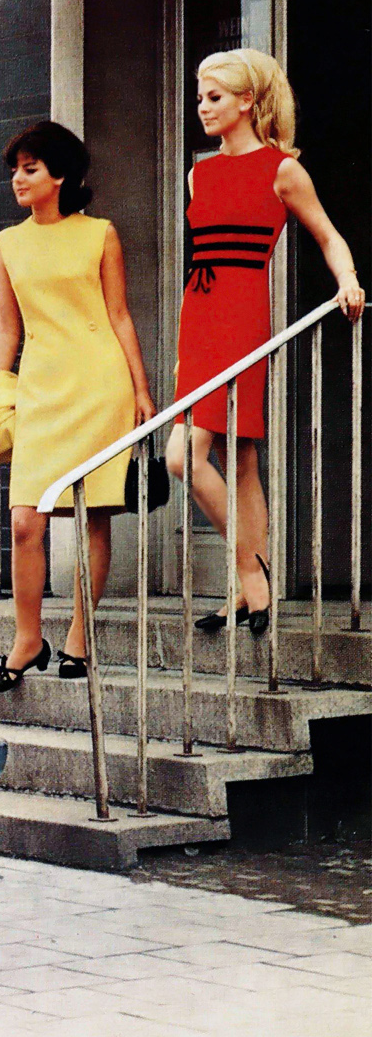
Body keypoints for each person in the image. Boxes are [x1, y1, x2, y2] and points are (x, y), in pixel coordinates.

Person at [165, 49, 364, 636]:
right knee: (236, 460)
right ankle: (252, 583)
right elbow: (199, 259)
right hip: (198, 315)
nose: (203, 107)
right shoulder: (200, 172)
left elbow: (328, 235)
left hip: (243, 317)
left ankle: (253, 579)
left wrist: (347, 280)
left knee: (188, 457)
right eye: (200, 97)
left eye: (215, 97)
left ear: (248, 101)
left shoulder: (282, 169)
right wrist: (182, 346)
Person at [0, 122, 156, 694]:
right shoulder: (8, 243)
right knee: (24, 521)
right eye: (16, 169)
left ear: (60, 176)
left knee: (93, 513)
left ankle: (80, 637)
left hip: (98, 385)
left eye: (30, 168)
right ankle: (28, 640)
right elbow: (8, 327)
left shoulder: (100, 234)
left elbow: (120, 315)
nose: (18, 178)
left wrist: (140, 391)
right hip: (39, 390)